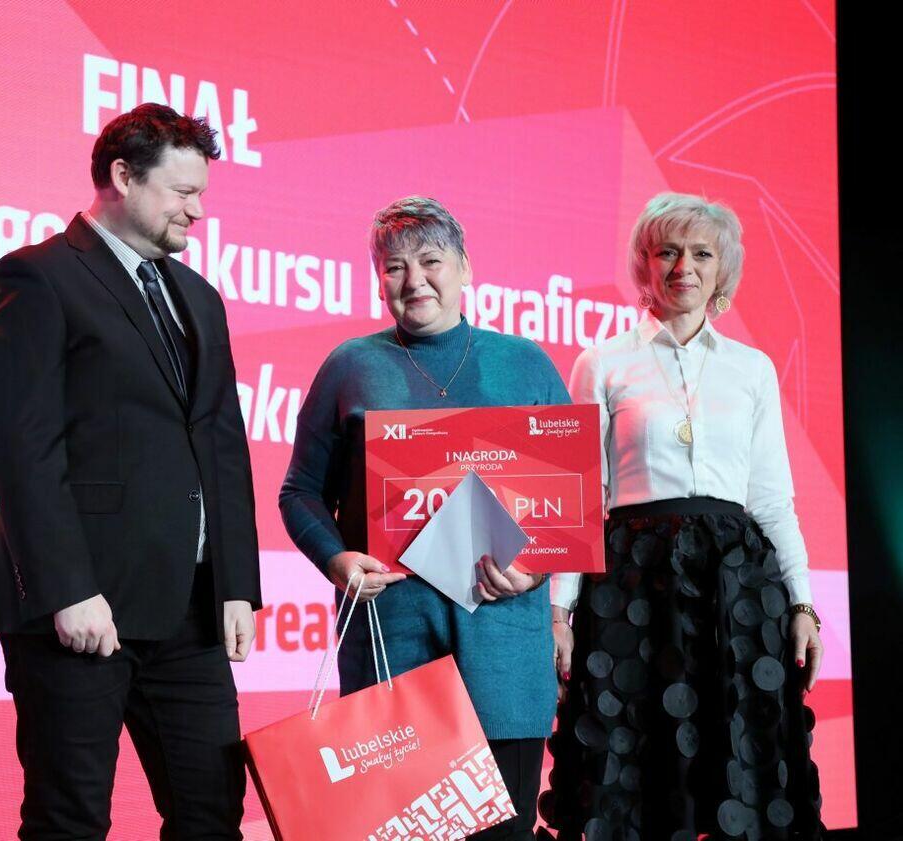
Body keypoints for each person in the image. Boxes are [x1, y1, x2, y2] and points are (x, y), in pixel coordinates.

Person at [0, 103, 261, 840]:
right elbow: (21, 448)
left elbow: (222, 443)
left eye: (201, 193)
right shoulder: (37, 277)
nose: (198, 211)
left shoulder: (200, 298)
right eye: (182, 192)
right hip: (80, 609)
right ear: (123, 176)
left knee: (212, 815)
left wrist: (235, 583)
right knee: (69, 820)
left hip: (190, 608)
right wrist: (67, 589)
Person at [280, 196, 569, 839]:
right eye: (394, 267)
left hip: (504, 652)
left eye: (431, 262)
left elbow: (567, 506)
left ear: (465, 268)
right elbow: (299, 493)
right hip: (393, 647)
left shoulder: (526, 364)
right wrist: (335, 557)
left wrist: (534, 566)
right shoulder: (350, 367)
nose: (414, 281)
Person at [542, 193, 824, 839]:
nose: (683, 267)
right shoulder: (601, 362)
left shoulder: (753, 369)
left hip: (738, 591)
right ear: (645, 262)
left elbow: (772, 500)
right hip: (631, 590)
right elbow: (580, 499)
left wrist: (803, 604)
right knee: (633, 767)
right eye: (667, 251)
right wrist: (559, 613)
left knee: (740, 767)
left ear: (722, 268)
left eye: (700, 253)